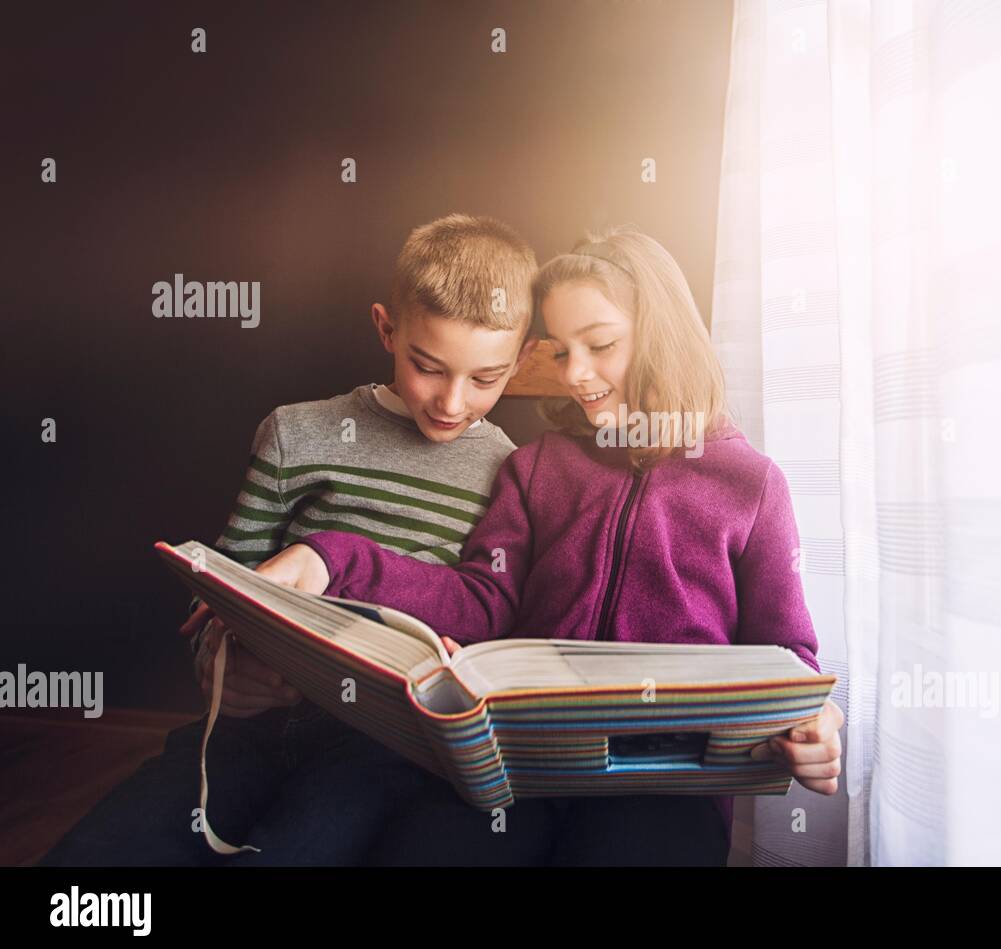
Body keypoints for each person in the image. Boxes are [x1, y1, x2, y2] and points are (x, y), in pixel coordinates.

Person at [256, 227, 845, 866]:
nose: (576, 374)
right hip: (516, 769)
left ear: (662, 334)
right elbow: (482, 601)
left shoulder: (751, 485)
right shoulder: (536, 468)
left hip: (661, 786)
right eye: (561, 351)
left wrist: (818, 723)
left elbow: (790, 654)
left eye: (600, 345)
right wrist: (334, 557)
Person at [41, 214, 538, 865]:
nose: (451, 401)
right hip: (255, 725)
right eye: (428, 367)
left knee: (298, 847)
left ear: (523, 360)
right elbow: (223, 590)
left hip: (383, 748)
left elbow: (481, 620)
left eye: (485, 379)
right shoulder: (295, 435)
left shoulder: (510, 471)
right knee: (100, 855)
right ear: (387, 328)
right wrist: (223, 671)